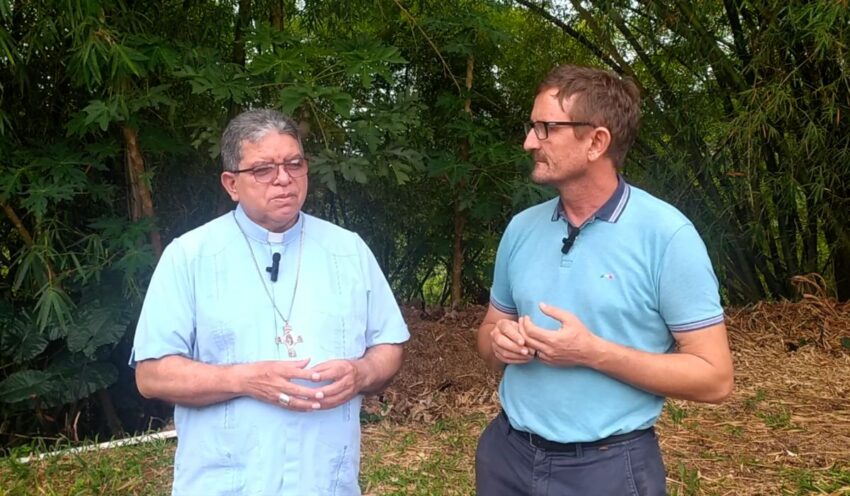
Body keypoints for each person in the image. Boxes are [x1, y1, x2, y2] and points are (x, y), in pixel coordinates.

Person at [475, 65, 734, 495]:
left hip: (609, 468)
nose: (529, 142)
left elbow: (715, 378)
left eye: (546, 128)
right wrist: (499, 341)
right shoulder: (521, 228)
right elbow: (487, 336)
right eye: (531, 126)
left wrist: (592, 353)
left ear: (597, 142)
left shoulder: (667, 236)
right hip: (507, 456)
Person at [130, 108, 409, 495]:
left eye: (294, 164)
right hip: (224, 483)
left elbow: (389, 345)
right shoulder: (190, 256)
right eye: (263, 169)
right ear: (231, 183)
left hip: (325, 481)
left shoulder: (348, 251)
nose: (283, 178)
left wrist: (362, 373)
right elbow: (152, 374)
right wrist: (243, 379)